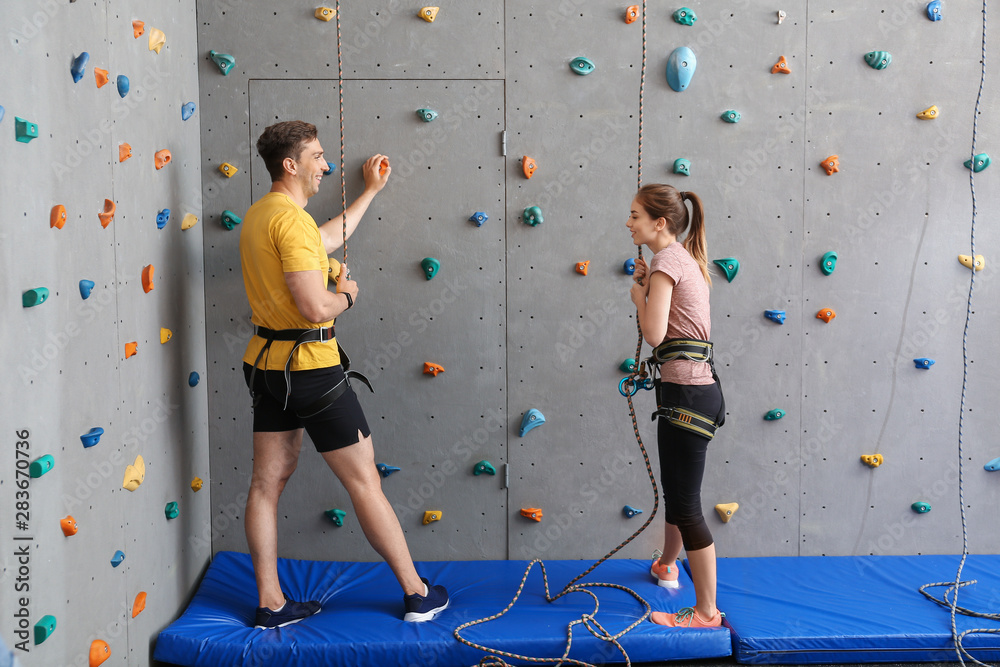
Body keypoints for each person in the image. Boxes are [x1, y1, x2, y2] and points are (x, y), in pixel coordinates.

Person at [239, 120, 448, 629]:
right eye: (316, 157)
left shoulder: (264, 216)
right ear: (291, 164)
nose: (326, 166)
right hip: (311, 370)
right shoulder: (291, 223)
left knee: (266, 483)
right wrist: (348, 294)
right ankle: (417, 594)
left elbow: (327, 237)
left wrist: (370, 192)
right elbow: (315, 307)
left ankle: (271, 602)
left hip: (266, 366)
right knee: (364, 481)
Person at [626, 184, 725, 629]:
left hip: (687, 395)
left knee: (686, 505)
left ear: (658, 223)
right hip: (690, 391)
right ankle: (668, 564)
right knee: (677, 492)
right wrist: (649, 286)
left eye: (634, 215)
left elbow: (653, 333)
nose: (628, 223)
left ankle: (705, 613)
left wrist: (638, 296)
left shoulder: (667, 260)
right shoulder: (683, 257)